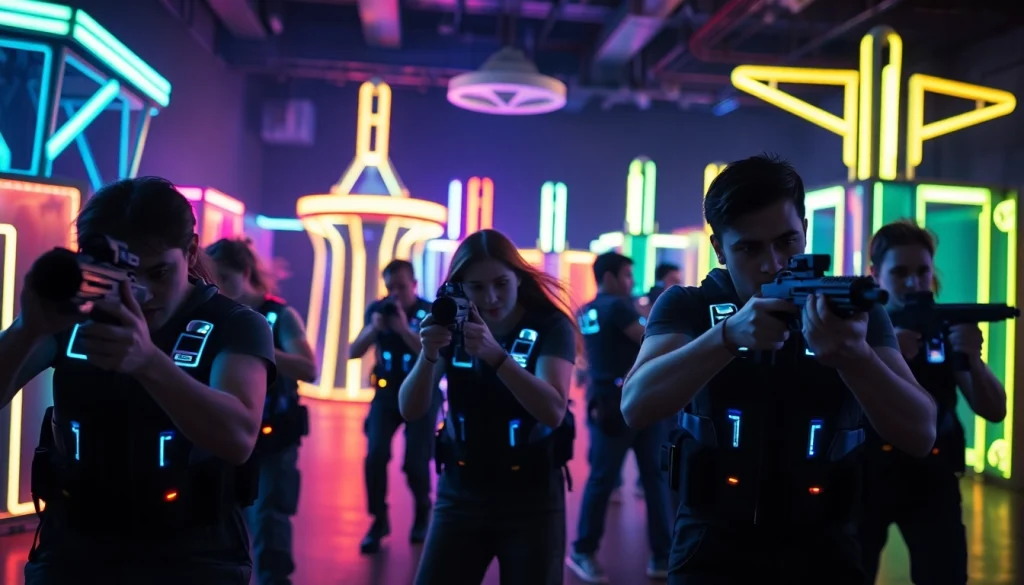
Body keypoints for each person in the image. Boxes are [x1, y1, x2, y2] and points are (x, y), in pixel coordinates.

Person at [620, 155, 938, 585]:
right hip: (712, 547)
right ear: (718, 248)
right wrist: (727, 336)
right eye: (749, 248)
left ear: (805, 230)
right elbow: (636, 405)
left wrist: (855, 357)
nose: (773, 263)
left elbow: (920, 433)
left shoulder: (848, 310)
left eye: (787, 241)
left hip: (827, 548)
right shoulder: (689, 306)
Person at [0, 177, 276, 584]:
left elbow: (238, 438)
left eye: (159, 272)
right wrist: (27, 329)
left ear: (191, 251)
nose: (143, 292)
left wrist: (148, 362)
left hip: (191, 555)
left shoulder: (234, 324)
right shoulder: (76, 315)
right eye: (126, 275)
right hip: (74, 548)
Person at [399, 229, 579, 585]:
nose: (492, 297)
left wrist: (497, 356)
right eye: (477, 288)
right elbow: (411, 409)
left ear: (519, 278)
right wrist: (428, 353)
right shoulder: (452, 324)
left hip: (531, 493)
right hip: (461, 486)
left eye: (501, 283)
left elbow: (553, 410)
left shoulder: (549, 324)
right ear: (460, 289)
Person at [860, 220, 1006, 585]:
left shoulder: (941, 327)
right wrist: (887, 355)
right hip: (865, 475)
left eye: (923, 271)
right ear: (876, 275)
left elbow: (993, 409)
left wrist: (971, 358)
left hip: (932, 476)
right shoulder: (860, 327)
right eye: (900, 272)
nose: (913, 282)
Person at [207, 238, 318, 585]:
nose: (216, 285)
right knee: (217, 516)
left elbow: (308, 368)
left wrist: (259, 346)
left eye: (224, 276)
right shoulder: (210, 313)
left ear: (245, 273)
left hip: (274, 433)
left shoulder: (279, 315)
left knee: (270, 516)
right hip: (221, 430)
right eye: (211, 277)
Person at [568, 252, 671, 584]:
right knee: (653, 481)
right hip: (635, 399)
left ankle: (585, 549)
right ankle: (660, 556)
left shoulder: (586, 309)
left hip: (604, 400)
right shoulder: (617, 306)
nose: (631, 282)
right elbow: (650, 339)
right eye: (627, 276)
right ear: (609, 277)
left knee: (602, 479)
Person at [348, 259, 440, 553]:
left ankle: (423, 511)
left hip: (420, 394)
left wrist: (403, 330)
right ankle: (379, 519)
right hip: (386, 396)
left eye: (401, 286)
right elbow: (354, 352)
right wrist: (372, 330)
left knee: (415, 462)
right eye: (390, 287)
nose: (395, 294)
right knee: (375, 456)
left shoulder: (429, 314)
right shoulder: (379, 311)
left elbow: (436, 355)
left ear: (414, 285)